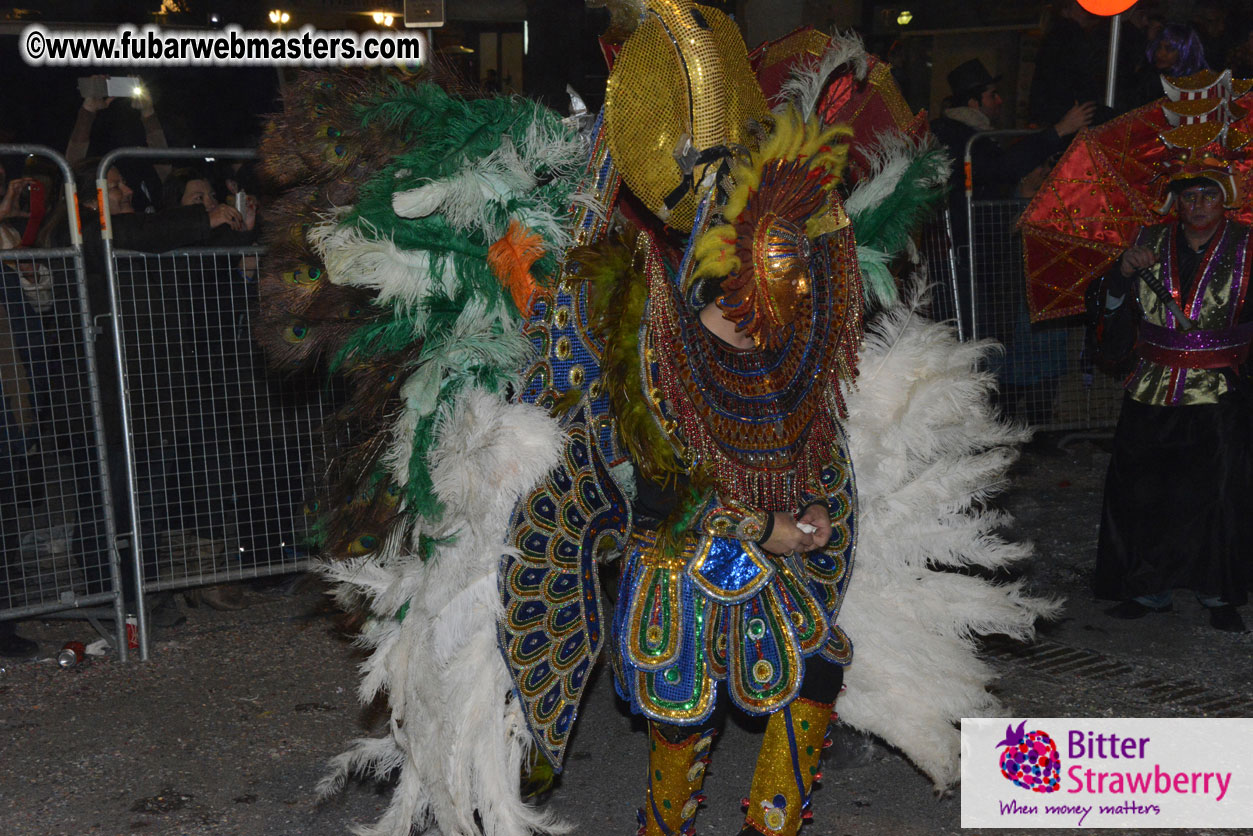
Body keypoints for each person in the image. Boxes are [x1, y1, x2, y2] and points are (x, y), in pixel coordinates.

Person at [1090, 161, 1251, 633]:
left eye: (1208, 194)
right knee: (1145, 489)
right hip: (1151, 386)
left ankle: (1218, 592)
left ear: (1227, 200)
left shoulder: (1247, 246)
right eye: (1188, 196)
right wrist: (1121, 272)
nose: (1197, 205)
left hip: (1222, 389)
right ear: (1174, 202)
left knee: (1218, 492)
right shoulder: (1148, 243)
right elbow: (1105, 303)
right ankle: (1147, 588)